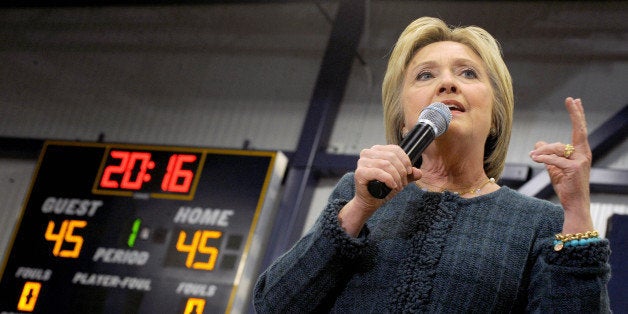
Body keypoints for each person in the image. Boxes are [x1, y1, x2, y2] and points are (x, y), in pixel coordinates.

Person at [253, 17, 611, 312]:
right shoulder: (356, 193)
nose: (447, 83)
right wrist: (360, 209)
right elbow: (274, 305)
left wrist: (577, 209)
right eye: (425, 75)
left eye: (468, 73)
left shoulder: (541, 223)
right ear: (404, 120)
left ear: (496, 118)